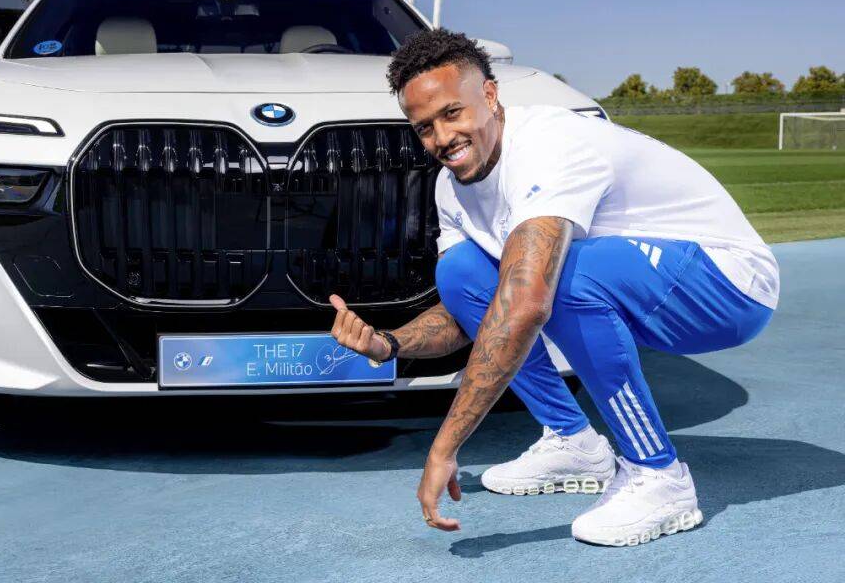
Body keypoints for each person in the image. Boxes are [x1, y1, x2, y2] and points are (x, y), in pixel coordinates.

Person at [329, 29, 778, 547]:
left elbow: (524, 304)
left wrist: (444, 446)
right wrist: (390, 343)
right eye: (424, 127)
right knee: (461, 273)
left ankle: (660, 476)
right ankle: (574, 444)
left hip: (728, 284)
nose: (442, 138)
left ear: (490, 95)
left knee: (560, 278)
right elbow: (473, 310)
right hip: (645, 282)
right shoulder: (450, 187)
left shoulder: (548, 145)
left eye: (452, 113)